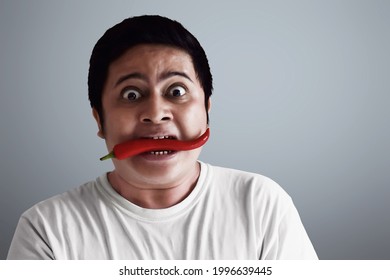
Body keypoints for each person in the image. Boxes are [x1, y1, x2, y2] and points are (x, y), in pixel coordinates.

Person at [7, 15, 317, 260]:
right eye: (131, 94)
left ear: (207, 109)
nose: (155, 113)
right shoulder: (47, 228)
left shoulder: (260, 204)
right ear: (99, 119)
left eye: (177, 91)